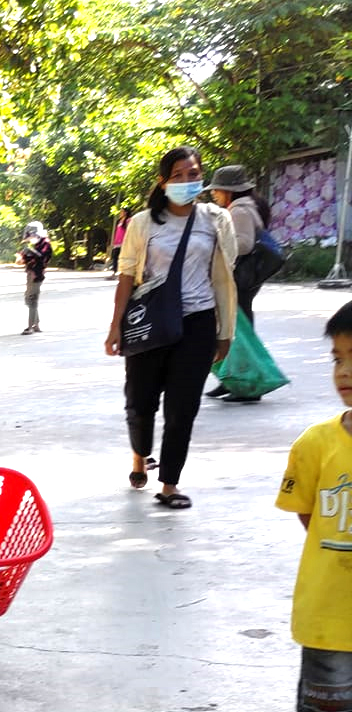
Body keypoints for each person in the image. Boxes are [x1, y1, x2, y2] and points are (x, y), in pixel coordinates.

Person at [104, 145, 237, 510]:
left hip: (197, 321)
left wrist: (225, 330)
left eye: (192, 174)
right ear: (163, 183)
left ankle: (169, 484)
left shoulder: (215, 220)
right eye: (177, 175)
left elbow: (226, 274)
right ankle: (140, 454)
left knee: (183, 406)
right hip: (150, 319)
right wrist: (115, 326)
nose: (186, 181)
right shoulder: (143, 223)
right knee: (141, 402)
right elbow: (127, 274)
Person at [274, 301, 352, 712]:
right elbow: (310, 516)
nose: (343, 372)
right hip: (331, 612)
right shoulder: (315, 444)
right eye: (337, 358)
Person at [204, 164, 275, 402]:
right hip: (244, 280)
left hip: (239, 279)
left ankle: (245, 384)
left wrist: (217, 241)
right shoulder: (244, 207)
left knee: (236, 333)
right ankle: (230, 380)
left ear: (229, 191)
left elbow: (243, 244)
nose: (214, 194)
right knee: (235, 330)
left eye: (218, 190)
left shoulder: (239, 211)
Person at [18, 222, 53, 334]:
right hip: (31, 273)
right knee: (29, 300)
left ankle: (30, 327)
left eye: (30, 237)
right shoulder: (38, 245)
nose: (30, 239)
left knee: (32, 300)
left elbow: (41, 257)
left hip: (36, 275)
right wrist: (24, 256)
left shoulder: (45, 244)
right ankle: (36, 325)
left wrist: (29, 252)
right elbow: (31, 258)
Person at [108, 210, 131, 278]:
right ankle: (115, 272)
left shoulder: (128, 220)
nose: (120, 213)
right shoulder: (119, 221)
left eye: (122, 212)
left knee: (123, 258)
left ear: (126, 212)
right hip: (117, 243)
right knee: (115, 257)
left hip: (124, 242)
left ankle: (123, 272)